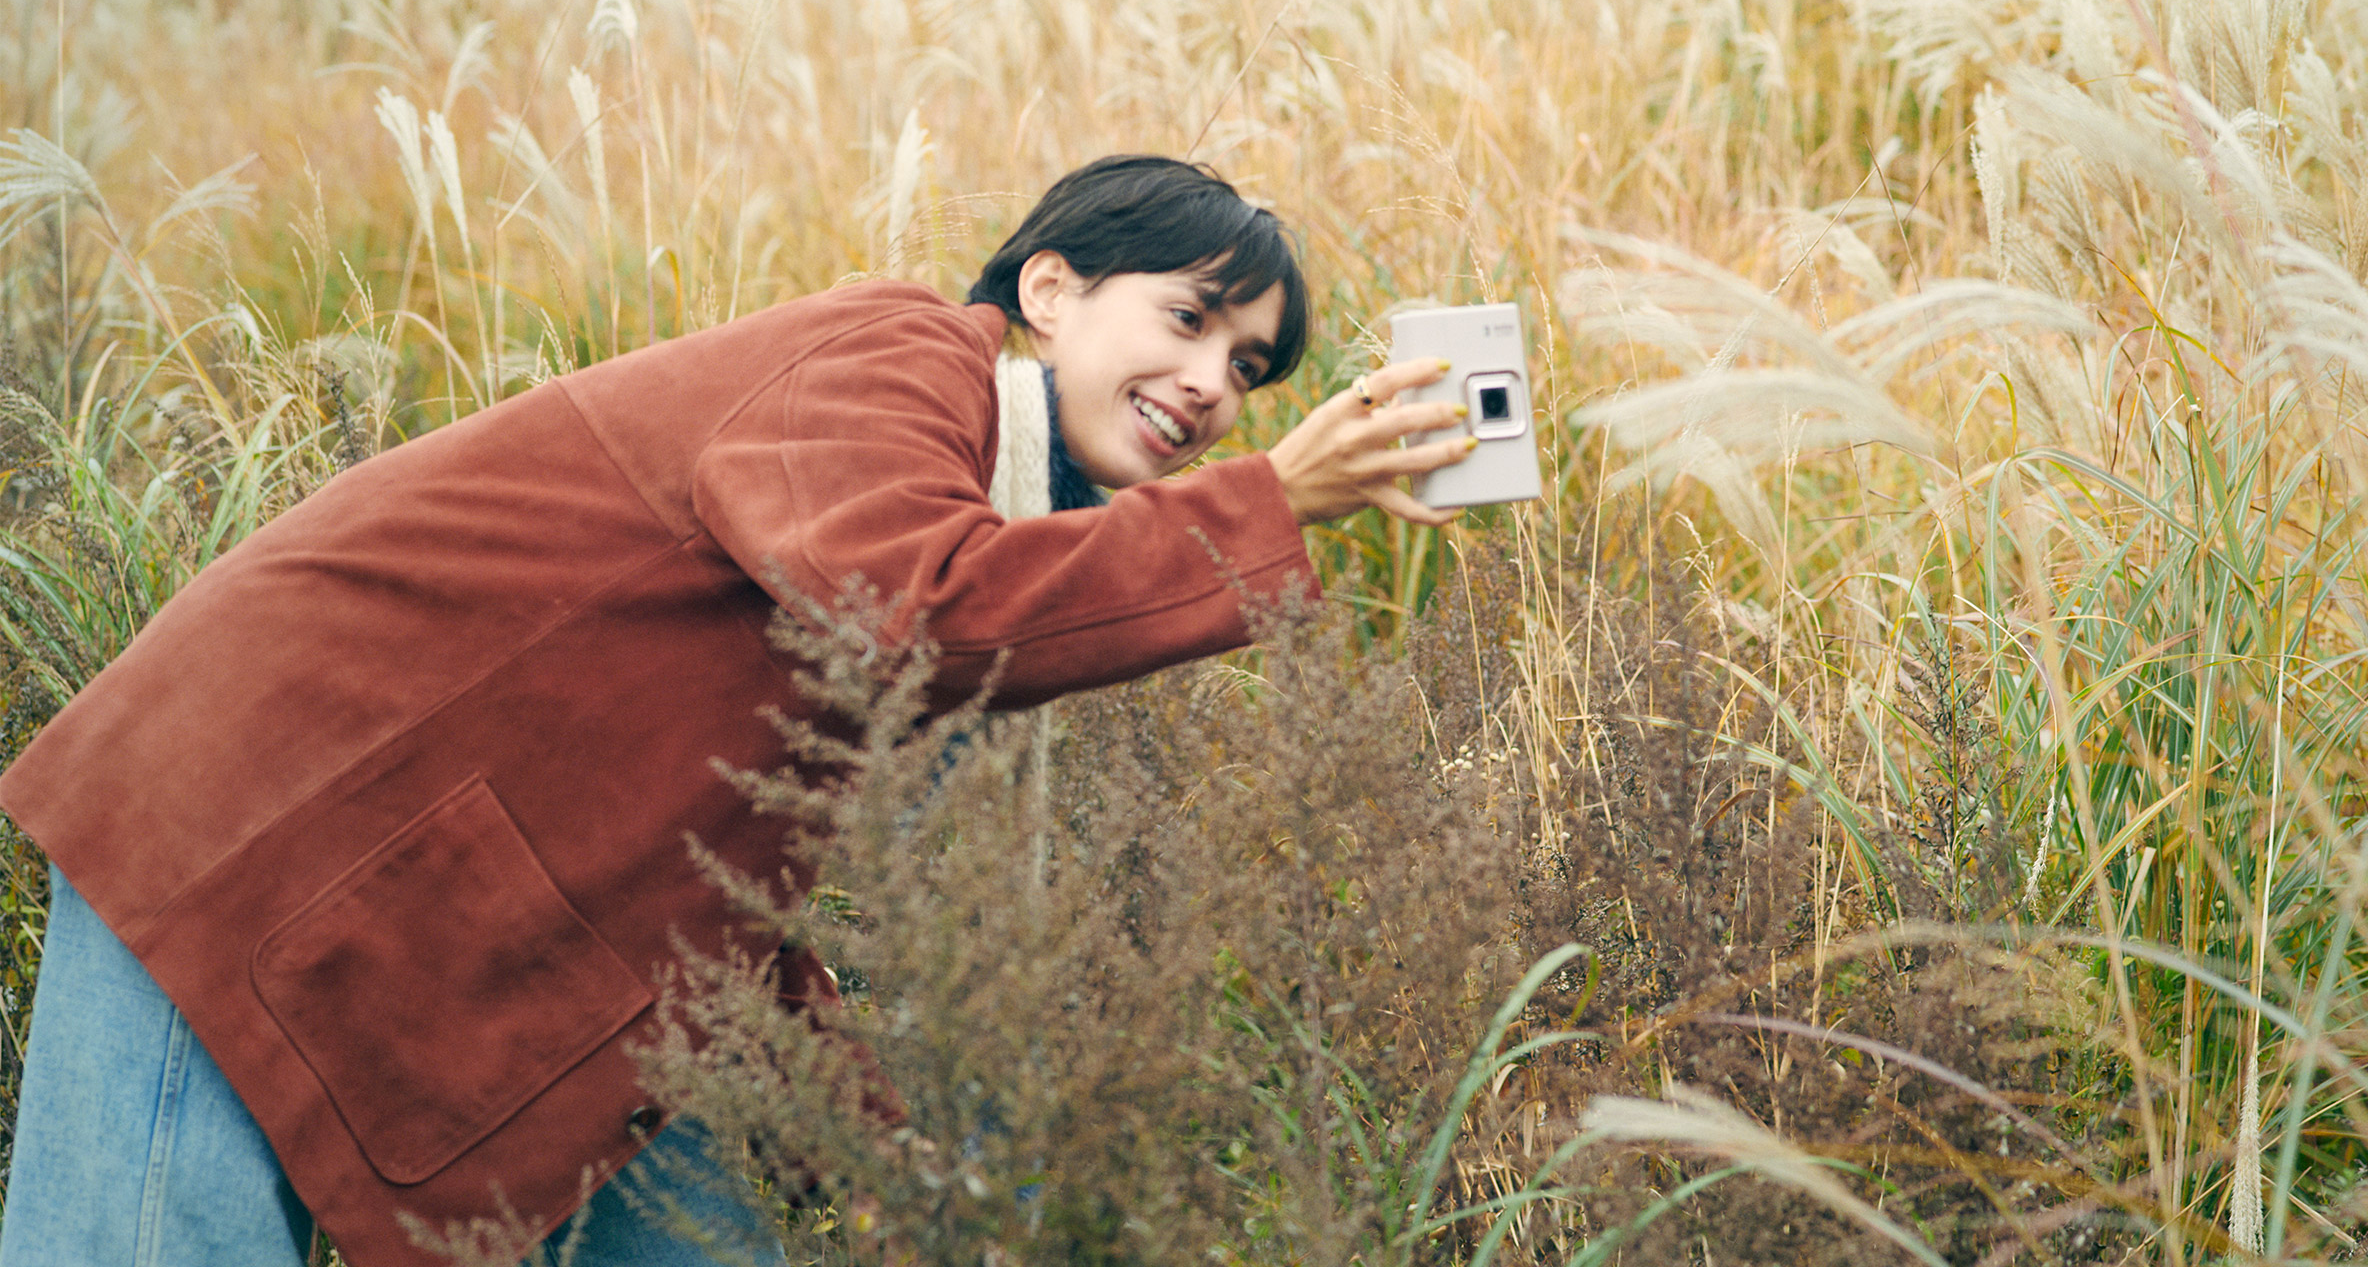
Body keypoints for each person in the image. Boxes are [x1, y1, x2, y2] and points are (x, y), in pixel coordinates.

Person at [0, 155, 1473, 1267]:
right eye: (1193, 319)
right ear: (1047, 291)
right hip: (241, 816)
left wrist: (879, 1152)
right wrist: (1268, 507)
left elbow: (727, 897)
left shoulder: (974, 497)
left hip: (468, 899)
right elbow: (916, 613)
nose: (1214, 384)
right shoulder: (898, 357)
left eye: (1253, 371)